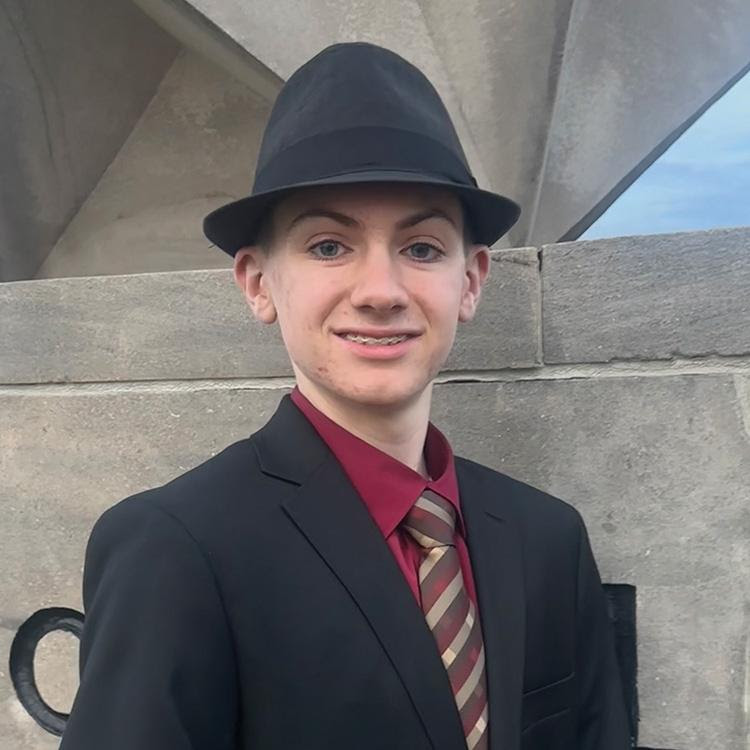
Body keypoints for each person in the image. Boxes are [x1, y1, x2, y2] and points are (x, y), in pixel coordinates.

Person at [60, 42, 629, 750]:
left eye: (422, 248)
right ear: (258, 283)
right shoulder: (175, 549)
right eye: (329, 246)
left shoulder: (548, 537)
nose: (381, 292)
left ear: (472, 280)